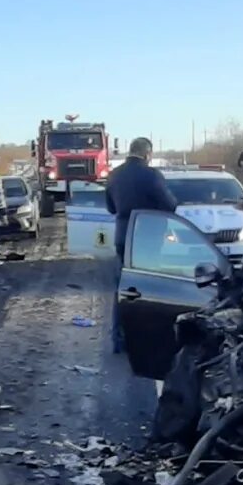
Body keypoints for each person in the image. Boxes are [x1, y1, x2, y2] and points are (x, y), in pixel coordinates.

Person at [103, 136, 177, 351]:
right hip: (148, 237)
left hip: (123, 236)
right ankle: (146, 338)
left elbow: (110, 208)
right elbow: (169, 204)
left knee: (123, 288)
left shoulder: (114, 175)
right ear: (148, 154)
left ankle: (119, 340)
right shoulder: (151, 175)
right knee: (149, 288)